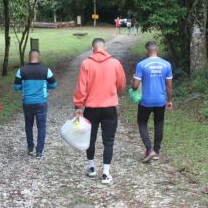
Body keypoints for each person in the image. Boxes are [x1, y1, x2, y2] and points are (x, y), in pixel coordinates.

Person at [74, 38, 126, 184]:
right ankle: (105, 173)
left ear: (92, 49)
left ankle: (91, 168)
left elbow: (81, 86)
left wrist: (78, 106)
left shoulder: (86, 63)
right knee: (108, 141)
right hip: (109, 108)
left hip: (91, 108)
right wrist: (115, 93)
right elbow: (121, 83)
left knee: (89, 139)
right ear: (105, 48)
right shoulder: (115, 63)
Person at [132, 41, 173, 163]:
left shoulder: (141, 64)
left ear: (147, 51)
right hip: (160, 100)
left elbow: (135, 86)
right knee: (159, 124)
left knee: (142, 122)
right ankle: (156, 152)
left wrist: (133, 80)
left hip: (146, 101)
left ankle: (149, 150)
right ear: (157, 50)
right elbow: (169, 85)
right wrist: (169, 100)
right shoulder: (167, 65)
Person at [13, 50, 57, 159]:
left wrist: (25, 86)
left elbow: (16, 87)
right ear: (39, 57)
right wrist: (45, 85)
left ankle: (30, 147)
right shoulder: (46, 70)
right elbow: (54, 85)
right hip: (41, 103)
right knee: (41, 126)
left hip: (27, 102)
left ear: (29, 57)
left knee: (28, 125)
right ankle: (39, 152)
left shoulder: (21, 70)